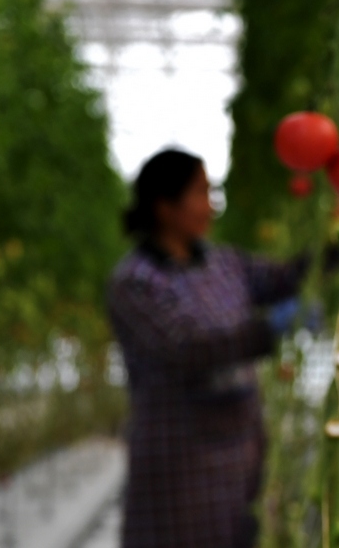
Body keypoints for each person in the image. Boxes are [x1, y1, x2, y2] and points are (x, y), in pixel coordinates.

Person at [107, 148, 316, 548]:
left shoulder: (225, 264)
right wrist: (269, 329)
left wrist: (331, 250)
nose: (210, 206)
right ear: (165, 206)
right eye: (201, 193)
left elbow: (283, 277)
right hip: (178, 462)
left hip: (241, 455)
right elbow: (186, 348)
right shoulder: (135, 281)